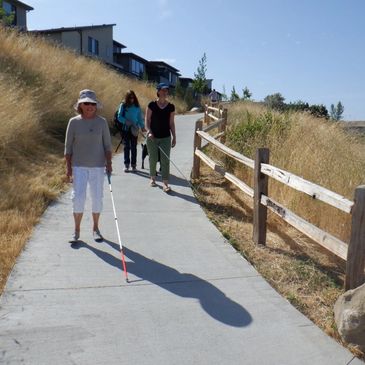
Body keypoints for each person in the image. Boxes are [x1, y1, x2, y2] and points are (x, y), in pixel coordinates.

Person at [64, 89, 112, 244]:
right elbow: (68, 148)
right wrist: (68, 169)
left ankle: (95, 228)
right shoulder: (74, 122)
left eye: (92, 103)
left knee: (97, 198)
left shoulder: (102, 122)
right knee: (78, 198)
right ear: (80, 105)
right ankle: (76, 230)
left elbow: (107, 146)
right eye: (86, 103)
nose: (90, 106)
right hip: (79, 166)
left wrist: (109, 164)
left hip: (98, 167)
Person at [145, 82, 176, 192]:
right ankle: (152, 179)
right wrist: (149, 131)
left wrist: (174, 137)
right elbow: (147, 120)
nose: (165, 92)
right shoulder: (151, 105)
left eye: (166, 90)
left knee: (165, 160)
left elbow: (171, 123)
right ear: (158, 91)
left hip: (165, 137)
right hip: (152, 137)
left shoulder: (171, 107)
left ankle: (165, 184)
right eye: (163, 90)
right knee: (152, 158)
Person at [117, 90, 145, 172]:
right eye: (130, 97)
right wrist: (126, 121)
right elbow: (119, 117)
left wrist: (142, 127)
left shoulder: (137, 106)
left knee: (134, 147)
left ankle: (133, 165)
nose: (131, 99)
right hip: (126, 129)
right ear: (127, 98)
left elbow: (139, 118)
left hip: (135, 129)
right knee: (127, 147)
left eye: (133, 97)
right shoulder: (123, 105)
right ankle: (126, 165)